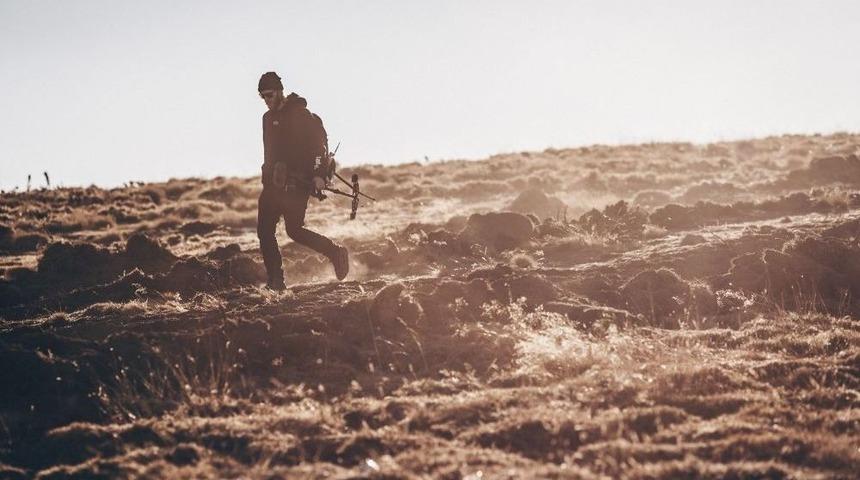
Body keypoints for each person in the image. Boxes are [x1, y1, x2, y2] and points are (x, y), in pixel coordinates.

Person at [256, 71, 349, 290]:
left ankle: (335, 252)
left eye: (269, 95)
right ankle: (276, 282)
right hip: (272, 186)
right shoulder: (267, 119)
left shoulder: (300, 114)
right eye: (262, 97)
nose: (267, 101)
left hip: (296, 185)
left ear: (279, 92)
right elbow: (268, 153)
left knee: (294, 231)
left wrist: (317, 175)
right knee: (264, 231)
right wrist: (267, 179)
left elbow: (318, 147)